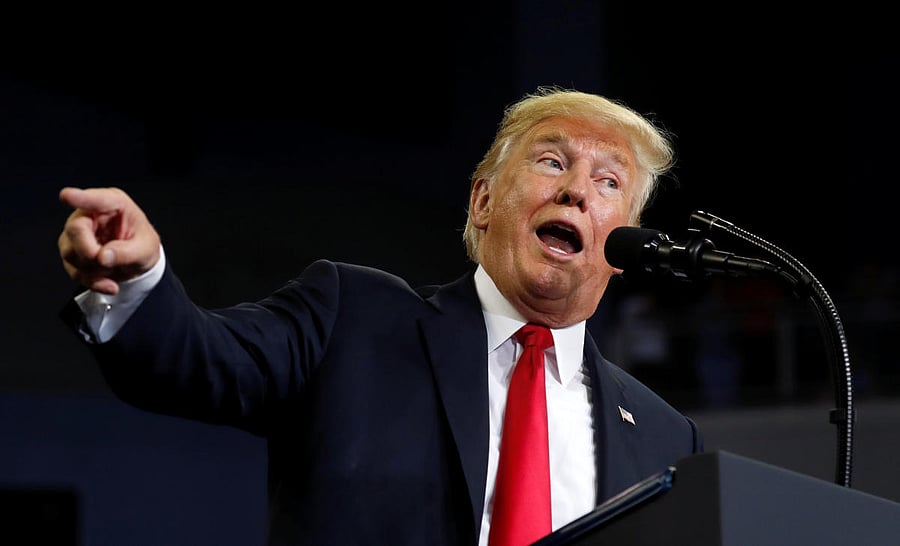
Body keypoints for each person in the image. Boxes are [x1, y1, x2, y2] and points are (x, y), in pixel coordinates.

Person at [58, 86, 703, 546]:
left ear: (625, 247)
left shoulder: (666, 438)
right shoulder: (353, 319)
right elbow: (201, 359)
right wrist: (137, 279)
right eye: (552, 161)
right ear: (482, 201)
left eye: (609, 182)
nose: (576, 191)